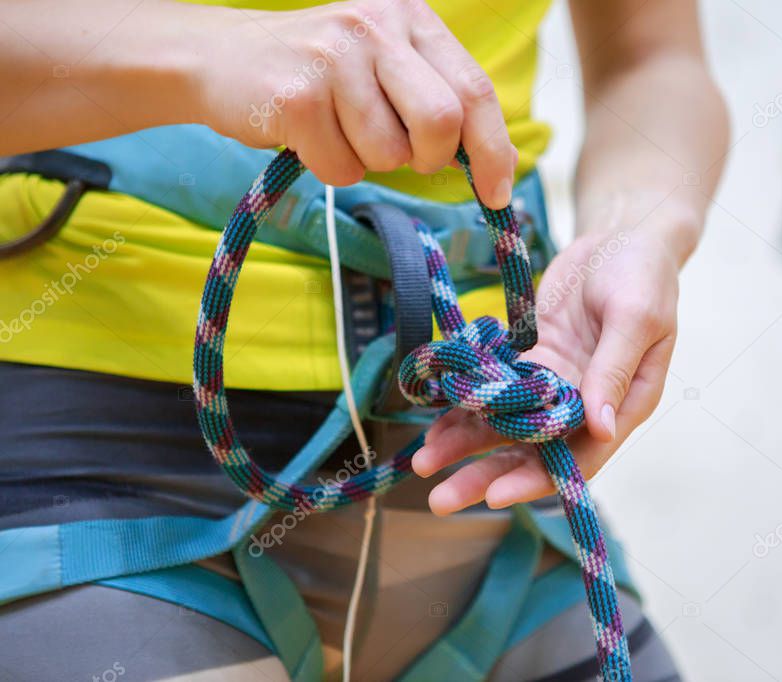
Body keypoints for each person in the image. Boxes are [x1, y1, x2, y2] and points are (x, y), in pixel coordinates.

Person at [0, 0, 728, 679]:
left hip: (484, 465)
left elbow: (651, 59)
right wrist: (204, 51)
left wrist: (639, 230)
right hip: (105, 441)